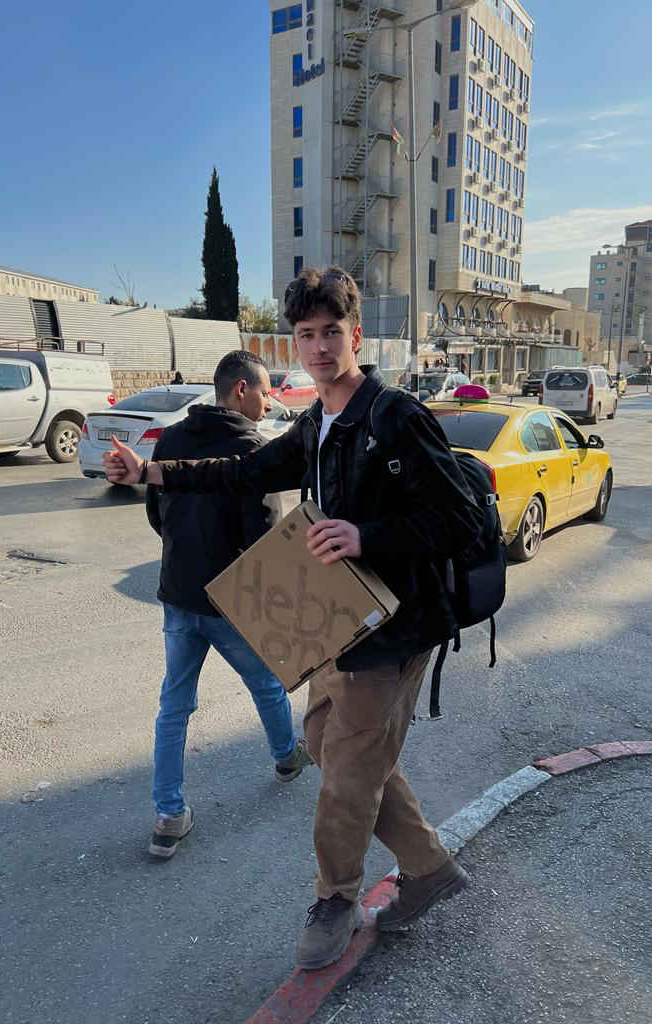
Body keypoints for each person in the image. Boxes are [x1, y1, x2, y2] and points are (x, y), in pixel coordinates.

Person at [104, 269, 483, 967]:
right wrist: (150, 473)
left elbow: (461, 517)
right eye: (306, 335)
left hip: (395, 629)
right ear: (295, 344)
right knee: (325, 743)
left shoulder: (396, 416)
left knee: (347, 774)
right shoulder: (315, 424)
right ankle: (429, 868)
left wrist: (367, 536)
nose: (319, 347)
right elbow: (241, 471)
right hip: (339, 621)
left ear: (355, 335)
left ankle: (335, 897)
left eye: (331, 332)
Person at [144, 350, 312, 861]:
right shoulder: (251, 449)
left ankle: (168, 816)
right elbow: (266, 537)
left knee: (174, 705)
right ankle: (286, 756)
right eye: (264, 392)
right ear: (241, 390)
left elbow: (156, 513)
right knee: (265, 682)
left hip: (178, 591)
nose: (269, 403)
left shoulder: (171, 438)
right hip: (229, 599)